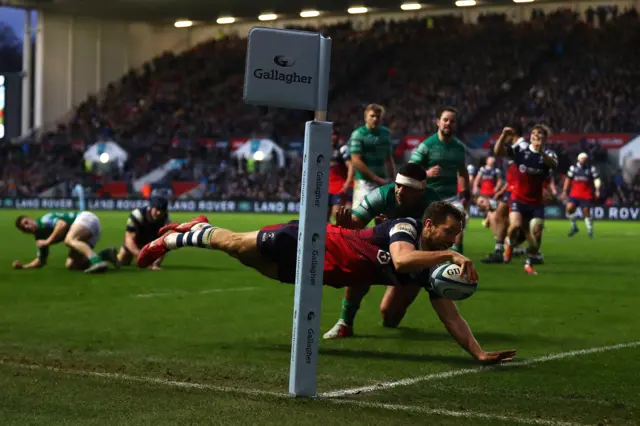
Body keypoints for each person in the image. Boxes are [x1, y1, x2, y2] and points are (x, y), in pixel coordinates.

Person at [137, 201, 516, 364]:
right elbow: (400, 257)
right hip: (314, 241)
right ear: (431, 225)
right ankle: (168, 240)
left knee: (243, 257)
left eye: (457, 236)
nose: (454, 240)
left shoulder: (426, 269)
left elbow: (451, 316)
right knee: (236, 243)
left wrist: (478, 352)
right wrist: (451, 255)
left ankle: (197, 228)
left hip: (320, 273)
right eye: (450, 233)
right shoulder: (408, 228)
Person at [323, 163, 441, 339]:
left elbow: (438, 243)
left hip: (413, 259)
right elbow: (356, 223)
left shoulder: (434, 206)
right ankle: (344, 323)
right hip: (384, 251)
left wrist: (394, 229)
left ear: (420, 191)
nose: (399, 191)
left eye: (407, 188)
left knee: (389, 317)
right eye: (398, 185)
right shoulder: (382, 195)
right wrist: (348, 225)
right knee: (360, 260)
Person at [493, 124, 558, 275]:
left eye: (540, 134)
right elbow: (498, 151)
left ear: (545, 138)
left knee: (537, 234)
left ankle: (529, 263)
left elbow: (553, 164)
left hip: (536, 202)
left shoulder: (549, 154)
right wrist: (503, 135)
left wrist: (540, 151)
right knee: (515, 225)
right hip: (518, 198)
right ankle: (508, 245)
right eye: (534, 134)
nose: (536, 136)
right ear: (530, 136)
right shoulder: (521, 151)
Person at [410, 106, 470, 253]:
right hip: (429, 196)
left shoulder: (459, 148)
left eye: (452, 121)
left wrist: (465, 192)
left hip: (451, 197)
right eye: (445, 120)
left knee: (458, 227)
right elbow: (410, 170)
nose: (448, 123)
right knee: (428, 235)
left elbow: (462, 172)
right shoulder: (426, 146)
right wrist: (427, 173)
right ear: (438, 122)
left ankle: (455, 268)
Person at [13, 211, 118, 273]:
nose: (27, 227)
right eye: (24, 228)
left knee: (69, 240)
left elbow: (61, 225)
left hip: (86, 219)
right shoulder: (39, 237)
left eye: (26, 222)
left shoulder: (44, 220)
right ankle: (105, 255)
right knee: (71, 265)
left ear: (31, 219)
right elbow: (41, 261)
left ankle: (97, 262)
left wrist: (48, 241)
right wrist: (23, 266)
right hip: (87, 230)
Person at [349, 104, 396, 209]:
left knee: (384, 217)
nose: (375, 119)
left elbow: (389, 158)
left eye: (378, 117)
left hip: (383, 181)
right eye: (372, 116)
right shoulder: (358, 134)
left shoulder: (386, 133)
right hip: (364, 182)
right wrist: (375, 178)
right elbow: (355, 161)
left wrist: (393, 179)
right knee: (358, 215)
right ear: (366, 117)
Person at [117, 197, 171, 269]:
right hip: (136, 241)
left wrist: (156, 263)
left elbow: (165, 242)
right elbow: (129, 239)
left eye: (163, 210)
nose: (159, 213)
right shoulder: (137, 215)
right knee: (122, 261)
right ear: (151, 207)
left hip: (152, 244)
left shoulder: (166, 220)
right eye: (157, 209)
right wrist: (142, 257)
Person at [562, 153, 601, 238]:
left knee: (586, 211)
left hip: (586, 194)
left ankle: (590, 230)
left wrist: (597, 190)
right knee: (569, 208)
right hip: (574, 193)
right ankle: (574, 227)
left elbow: (596, 179)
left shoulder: (591, 168)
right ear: (579, 159)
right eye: (582, 158)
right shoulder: (573, 168)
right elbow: (568, 180)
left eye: (585, 158)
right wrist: (564, 191)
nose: (584, 160)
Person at [328, 128, 354, 221]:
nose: (332, 137)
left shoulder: (343, 148)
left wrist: (347, 183)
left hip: (339, 186)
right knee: (324, 215)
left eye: (334, 134)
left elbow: (351, 166)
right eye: (331, 134)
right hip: (326, 187)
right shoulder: (323, 148)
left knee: (336, 214)